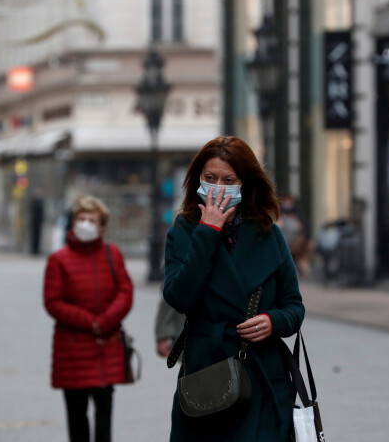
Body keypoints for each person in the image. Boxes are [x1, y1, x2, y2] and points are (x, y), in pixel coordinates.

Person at [163, 136, 305, 441]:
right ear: (198, 179)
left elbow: (294, 307)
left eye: (229, 179)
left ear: (245, 184)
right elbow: (179, 297)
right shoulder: (183, 232)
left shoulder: (269, 235)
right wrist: (208, 232)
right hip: (208, 375)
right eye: (210, 178)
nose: (218, 186)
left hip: (262, 373)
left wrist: (272, 321)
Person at [43, 195, 134, 442]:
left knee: (104, 415)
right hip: (72, 350)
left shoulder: (112, 254)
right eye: (81, 219)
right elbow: (53, 302)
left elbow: (125, 291)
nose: (85, 224)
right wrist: (89, 321)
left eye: (91, 220)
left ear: (102, 227)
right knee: (77, 416)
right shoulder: (58, 260)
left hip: (106, 347)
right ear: (73, 223)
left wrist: (105, 320)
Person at [276, 193, 311, 277]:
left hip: (295, 243)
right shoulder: (278, 213)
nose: (288, 203)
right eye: (286, 200)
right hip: (283, 244)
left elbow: (305, 229)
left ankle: (301, 268)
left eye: (289, 201)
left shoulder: (298, 213)